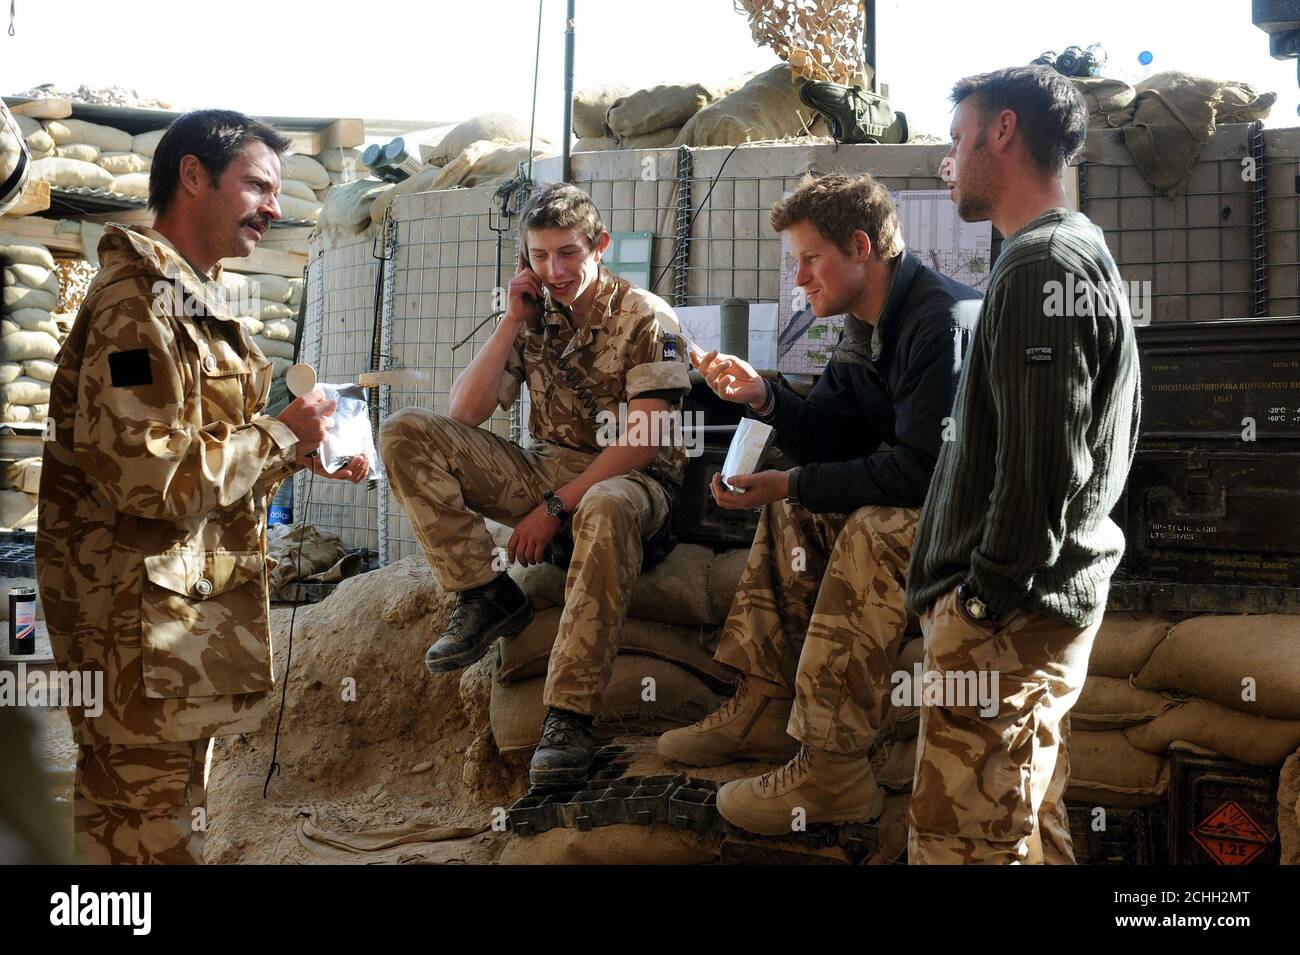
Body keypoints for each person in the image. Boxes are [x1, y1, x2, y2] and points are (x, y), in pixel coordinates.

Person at [36, 109, 368, 864]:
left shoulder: (191, 301)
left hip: (175, 638)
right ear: (194, 176)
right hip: (132, 644)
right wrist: (282, 432)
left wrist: (298, 451)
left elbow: (203, 453)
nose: (274, 207)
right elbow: (151, 478)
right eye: (256, 185)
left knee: (172, 834)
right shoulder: (135, 308)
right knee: (138, 845)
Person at [656, 173, 981, 835]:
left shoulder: (937, 320)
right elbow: (830, 430)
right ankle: (763, 703)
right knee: (794, 506)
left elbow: (921, 472)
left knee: (866, 527)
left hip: (981, 522)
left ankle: (835, 771)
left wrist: (793, 482)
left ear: (860, 246)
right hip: (935, 497)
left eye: (809, 259)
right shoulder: (869, 325)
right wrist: (764, 398)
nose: (800, 278)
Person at [905, 65, 1141, 864]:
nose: (949, 157)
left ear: (1002, 131)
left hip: (1009, 622)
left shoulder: (1043, 264)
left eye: (957, 136)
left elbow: (1042, 465)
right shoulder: (1063, 252)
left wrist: (981, 603)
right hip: (1023, 619)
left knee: (964, 846)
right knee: (1028, 829)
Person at [379, 183, 690, 785]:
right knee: (405, 433)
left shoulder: (647, 315)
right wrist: (509, 323)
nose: (556, 270)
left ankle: (569, 716)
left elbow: (645, 440)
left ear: (599, 246)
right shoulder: (533, 310)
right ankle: (484, 593)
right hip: (547, 467)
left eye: (569, 253)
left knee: (601, 505)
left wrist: (554, 507)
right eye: (540, 257)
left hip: (633, 480)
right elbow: (464, 415)